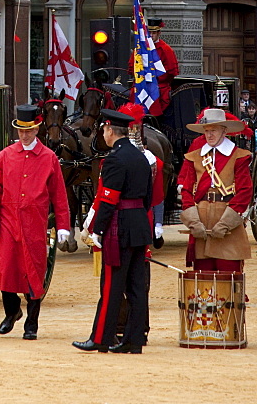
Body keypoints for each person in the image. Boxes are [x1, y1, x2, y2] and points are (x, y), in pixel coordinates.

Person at [0, 104, 69, 341]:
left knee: (34, 271)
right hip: (9, 220)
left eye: (29, 131)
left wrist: (63, 224)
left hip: (34, 222)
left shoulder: (49, 158)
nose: (24, 135)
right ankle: (11, 312)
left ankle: (32, 323)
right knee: (7, 268)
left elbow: (59, 195)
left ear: (37, 130)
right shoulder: (5, 155)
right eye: (21, 131)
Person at [73, 109, 153, 355]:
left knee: (111, 286)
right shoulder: (141, 157)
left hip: (120, 227)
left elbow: (108, 199)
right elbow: (148, 198)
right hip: (139, 224)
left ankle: (101, 338)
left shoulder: (115, 159)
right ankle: (134, 339)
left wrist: (98, 230)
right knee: (137, 287)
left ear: (109, 131)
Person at [178, 108, 253, 274]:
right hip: (201, 219)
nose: (209, 135)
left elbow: (244, 192)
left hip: (227, 218)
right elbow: (187, 190)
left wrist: (226, 223)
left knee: (229, 275)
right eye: (206, 131)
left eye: (213, 130)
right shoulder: (194, 157)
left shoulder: (239, 156)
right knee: (203, 280)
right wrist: (193, 222)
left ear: (224, 131)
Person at [127, 16, 179, 116]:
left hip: (159, 85)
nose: (151, 35)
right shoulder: (139, 49)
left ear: (159, 33)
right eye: (149, 33)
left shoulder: (166, 49)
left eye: (154, 33)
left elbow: (170, 72)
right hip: (141, 84)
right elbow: (132, 68)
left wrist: (153, 76)